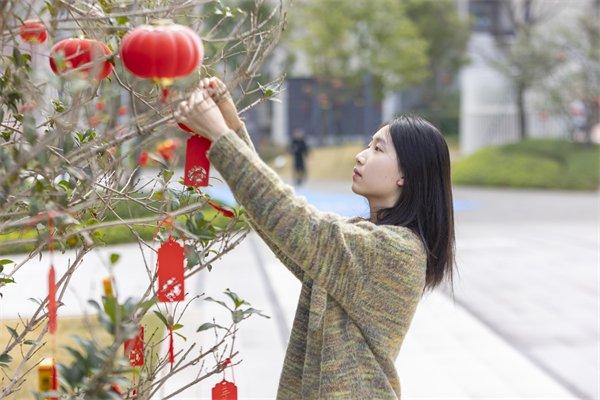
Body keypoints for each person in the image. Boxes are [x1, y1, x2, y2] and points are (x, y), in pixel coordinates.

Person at [175, 77, 456, 400]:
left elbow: (295, 222)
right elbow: (284, 230)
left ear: (406, 174)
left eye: (378, 149)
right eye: (368, 145)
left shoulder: (396, 251)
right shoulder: (366, 240)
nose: (361, 156)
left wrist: (221, 135)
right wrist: (230, 122)